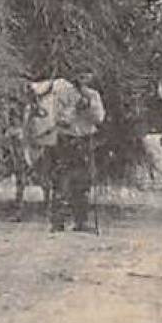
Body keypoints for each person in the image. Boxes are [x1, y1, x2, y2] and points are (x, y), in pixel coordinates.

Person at [49, 71, 105, 234]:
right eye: (80, 76)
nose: (83, 80)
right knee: (62, 179)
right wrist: (74, 109)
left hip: (86, 140)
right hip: (67, 140)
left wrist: (88, 106)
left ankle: (81, 221)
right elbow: (59, 119)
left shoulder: (93, 95)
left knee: (84, 180)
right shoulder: (63, 95)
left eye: (86, 76)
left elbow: (99, 118)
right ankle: (57, 221)